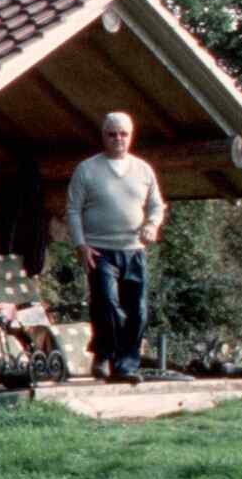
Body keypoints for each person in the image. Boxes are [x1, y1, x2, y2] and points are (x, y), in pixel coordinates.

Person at [65, 111, 166, 383]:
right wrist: (81, 245)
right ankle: (104, 355)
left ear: (130, 136)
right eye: (112, 134)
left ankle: (126, 366)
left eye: (123, 134)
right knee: (107, 305)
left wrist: (152, 224)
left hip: (134, 250)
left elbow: (157, 205)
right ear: (103, 136)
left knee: (138, 310)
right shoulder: (87, 169)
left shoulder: (143, 170)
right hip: (99, 250)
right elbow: (73, 210)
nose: (118, 139)